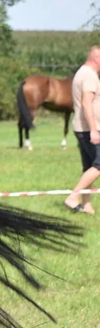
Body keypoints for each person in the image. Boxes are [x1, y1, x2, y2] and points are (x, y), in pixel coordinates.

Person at [66, 46, 100, 214]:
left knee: (89, 167)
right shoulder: (90, 76)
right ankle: (74, 196)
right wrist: (94, 130)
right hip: (89, 129)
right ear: (96, 58)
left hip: (81, 127)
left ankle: (86, 205)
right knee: (99, 165)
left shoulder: (81, 72)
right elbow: (87, 103)